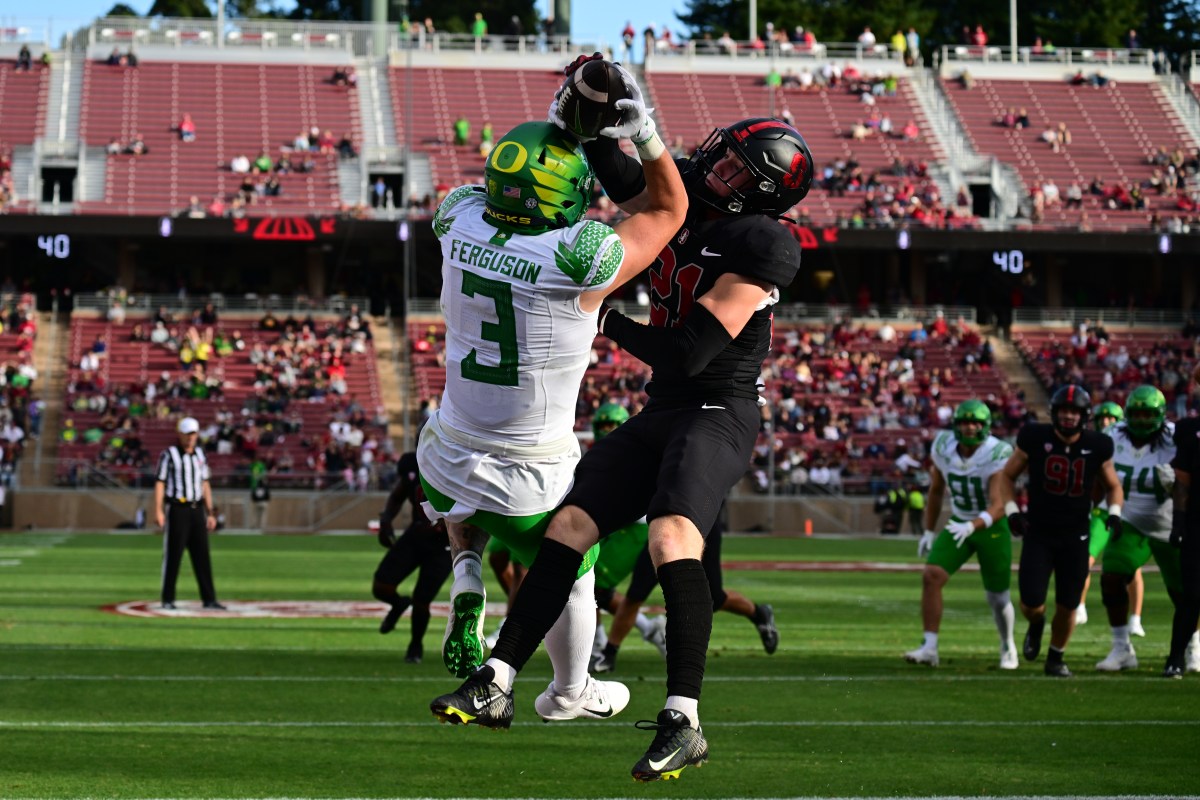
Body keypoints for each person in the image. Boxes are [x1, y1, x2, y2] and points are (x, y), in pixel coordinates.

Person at [438, 99, 812, 780]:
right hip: (663, 409)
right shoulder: (689, 202)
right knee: (568, 525)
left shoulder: (766, 242)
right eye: (722, 152)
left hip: (716, 408)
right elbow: (616, 168)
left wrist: (601, 316)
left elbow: (689, 354)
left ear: (764, 191)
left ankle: (684, 719)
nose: (716, 167)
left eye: (735, 167)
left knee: (671, 535)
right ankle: (496, 680)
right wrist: (589, 103)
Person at [422, 57, 687, 731]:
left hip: (443, 447)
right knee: (575, 550)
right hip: (526, 466)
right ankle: (572, 690)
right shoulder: (580, 258)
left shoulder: (457, 221)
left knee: (466, 501)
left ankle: (467, 583)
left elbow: (508, 183)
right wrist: (643, 135)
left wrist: (560, 118)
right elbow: (667, 208)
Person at [588, 403, 777, 674]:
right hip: (662, 523)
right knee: (635, 593)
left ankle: (759, 614)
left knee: (714, 596)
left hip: (701, 522)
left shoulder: (704, 444)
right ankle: (609, 654)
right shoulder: (657, 441)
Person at [999, 385, 1124, 677]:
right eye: (1064, 411)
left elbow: (1113, 485)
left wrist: (1115, 513)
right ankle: (1037, 623)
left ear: (1085, 415)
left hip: (1077, 535)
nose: (1068, 416)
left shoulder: (1098, 445)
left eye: (1075, 411)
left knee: (1069, 603)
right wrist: (1011, 511)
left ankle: (1056, 657)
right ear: (1053, 413)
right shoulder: (1034, 437)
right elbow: (1007, 475)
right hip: (1039, 532)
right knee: (1031, 603)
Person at [905, 400, 1018, 669]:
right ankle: (929, 647)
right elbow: (935, 490)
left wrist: (972, 526)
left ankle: (1007, 645)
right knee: (932, 576)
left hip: (990, 527)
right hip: (959, 523)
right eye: (965, 422)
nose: (970, 428)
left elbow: (999, 504)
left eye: (976, 423)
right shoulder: (943, 446)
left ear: (985, 426)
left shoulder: (997, 452)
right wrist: (929, 530)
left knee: (997, 596)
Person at [1093, 386, 1183, 673]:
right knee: (1111, 577)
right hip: (1130, 521)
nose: (1143, 420)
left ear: (1160, 415)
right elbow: (1099, 475)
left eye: (1148, 414)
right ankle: (1122, 648)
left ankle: (1192, 644)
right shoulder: (1112, 435)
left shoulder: (1176, 438)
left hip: (1170, 523)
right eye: (1137, 414)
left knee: (1185, 593)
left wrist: (1178, 484)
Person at [373, 451, 451, 664]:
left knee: (422, 600)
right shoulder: (411, 463)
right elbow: (398, 494)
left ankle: (415, 644)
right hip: (416, 534)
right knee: (381, 586)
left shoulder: (457, 461)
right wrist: (386, 520)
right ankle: (398, 604)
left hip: (444, 544)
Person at [1077, 401, 1144, 630]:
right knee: (1084, 559)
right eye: (1102, 418)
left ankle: (1135, 618)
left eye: (1111, 418)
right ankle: (1079, 605)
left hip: (1131, 515)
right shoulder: (1093, 444)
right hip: (1103, 512)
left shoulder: (1136, 444)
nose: (1106, 423)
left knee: (1131, 568)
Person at [154, 417, 223, 610]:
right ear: (180, 434)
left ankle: (209, 599)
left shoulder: (200, 455)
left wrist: (210, 512)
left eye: (194, 433)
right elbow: (160, 482)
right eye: (187, 433)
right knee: (173, 555)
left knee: (202, 555)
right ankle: (168, 598)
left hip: (196, 509)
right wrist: (158, 510)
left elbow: (205, 483)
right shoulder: (169, 454)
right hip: (178, 509)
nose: (191, 437)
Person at [1166, 365, 1200, 677]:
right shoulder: (1190, 429)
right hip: (1197, 525)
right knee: (1191, 595)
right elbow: (1183, 482)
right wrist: (1178, 522)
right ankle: (1176, 657)